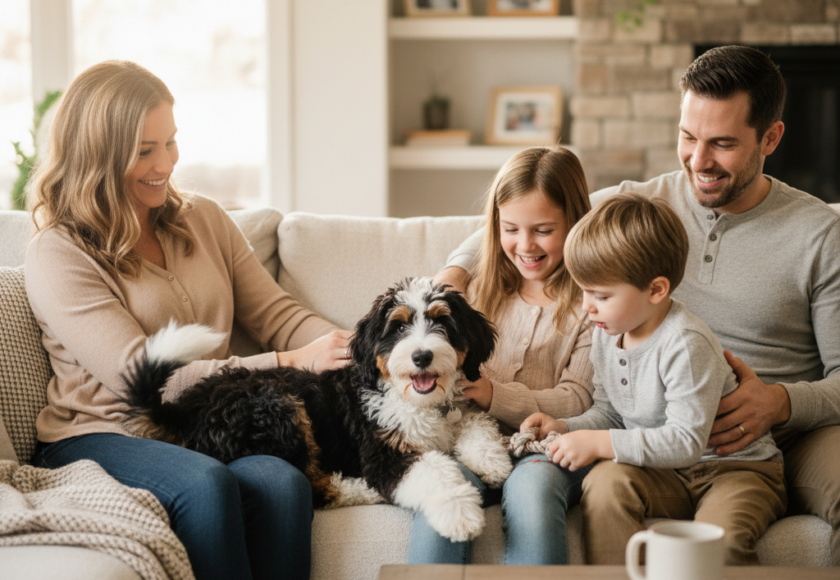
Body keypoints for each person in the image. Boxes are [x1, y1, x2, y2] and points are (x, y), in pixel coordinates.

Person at [438, 44, 840, 566]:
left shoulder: (820, 234)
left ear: (771, 137)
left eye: (721, 144)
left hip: (786, 435)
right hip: (656, 429)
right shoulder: (636, 208)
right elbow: (518, 226)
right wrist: (451, 278)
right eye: (688, 137)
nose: (699, 162)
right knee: (606, 489)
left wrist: (781, 402)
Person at [24, 60, 353, 580]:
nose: (166, 163)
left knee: (283, 481)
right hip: (104, 434)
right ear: (98, 158)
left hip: (204, 426)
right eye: (145, 151)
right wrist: (291, 362)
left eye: (171, 142)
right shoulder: (58, 252)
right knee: (204, 484)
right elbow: (141, 376)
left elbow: (278, 315)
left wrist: (361, 348)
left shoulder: (203, 219)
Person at [524, 193, 786, 564]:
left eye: (600, 295)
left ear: (656, 290)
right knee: (604, 484)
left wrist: (600, 443)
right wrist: (565, 427)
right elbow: (611, 413)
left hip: (737, 470)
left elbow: (684, 442)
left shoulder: (685, 343)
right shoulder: (607, 331)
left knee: (719, 543)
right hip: (666, 473)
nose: (586, 306)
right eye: (583, 291)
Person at [412, 146, 595, 565]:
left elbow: (579, 398)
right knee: (444, 490)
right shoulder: (476, 291)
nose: (525, 245)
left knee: (531, 492)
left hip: (546, 450)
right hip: (469, 443)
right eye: (510, 229)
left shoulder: (591, 302)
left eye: (543, 230)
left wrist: (497, 395)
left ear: (575, 221)